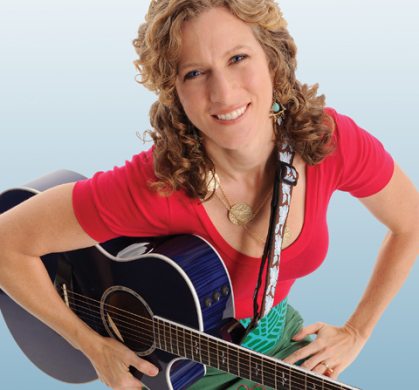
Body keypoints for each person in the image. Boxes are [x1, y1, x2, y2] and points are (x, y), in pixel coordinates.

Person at [0, 0, 418, 389]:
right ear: (175, 93)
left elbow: (410, 222)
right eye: (194, 73)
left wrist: (358, 329)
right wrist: (87, 343)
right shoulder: (156, 184)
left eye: (237, 58)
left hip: (279, 341)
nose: (223, 94)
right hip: (180, 372)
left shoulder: (329, 142)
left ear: (273, 59)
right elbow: (7, 243)